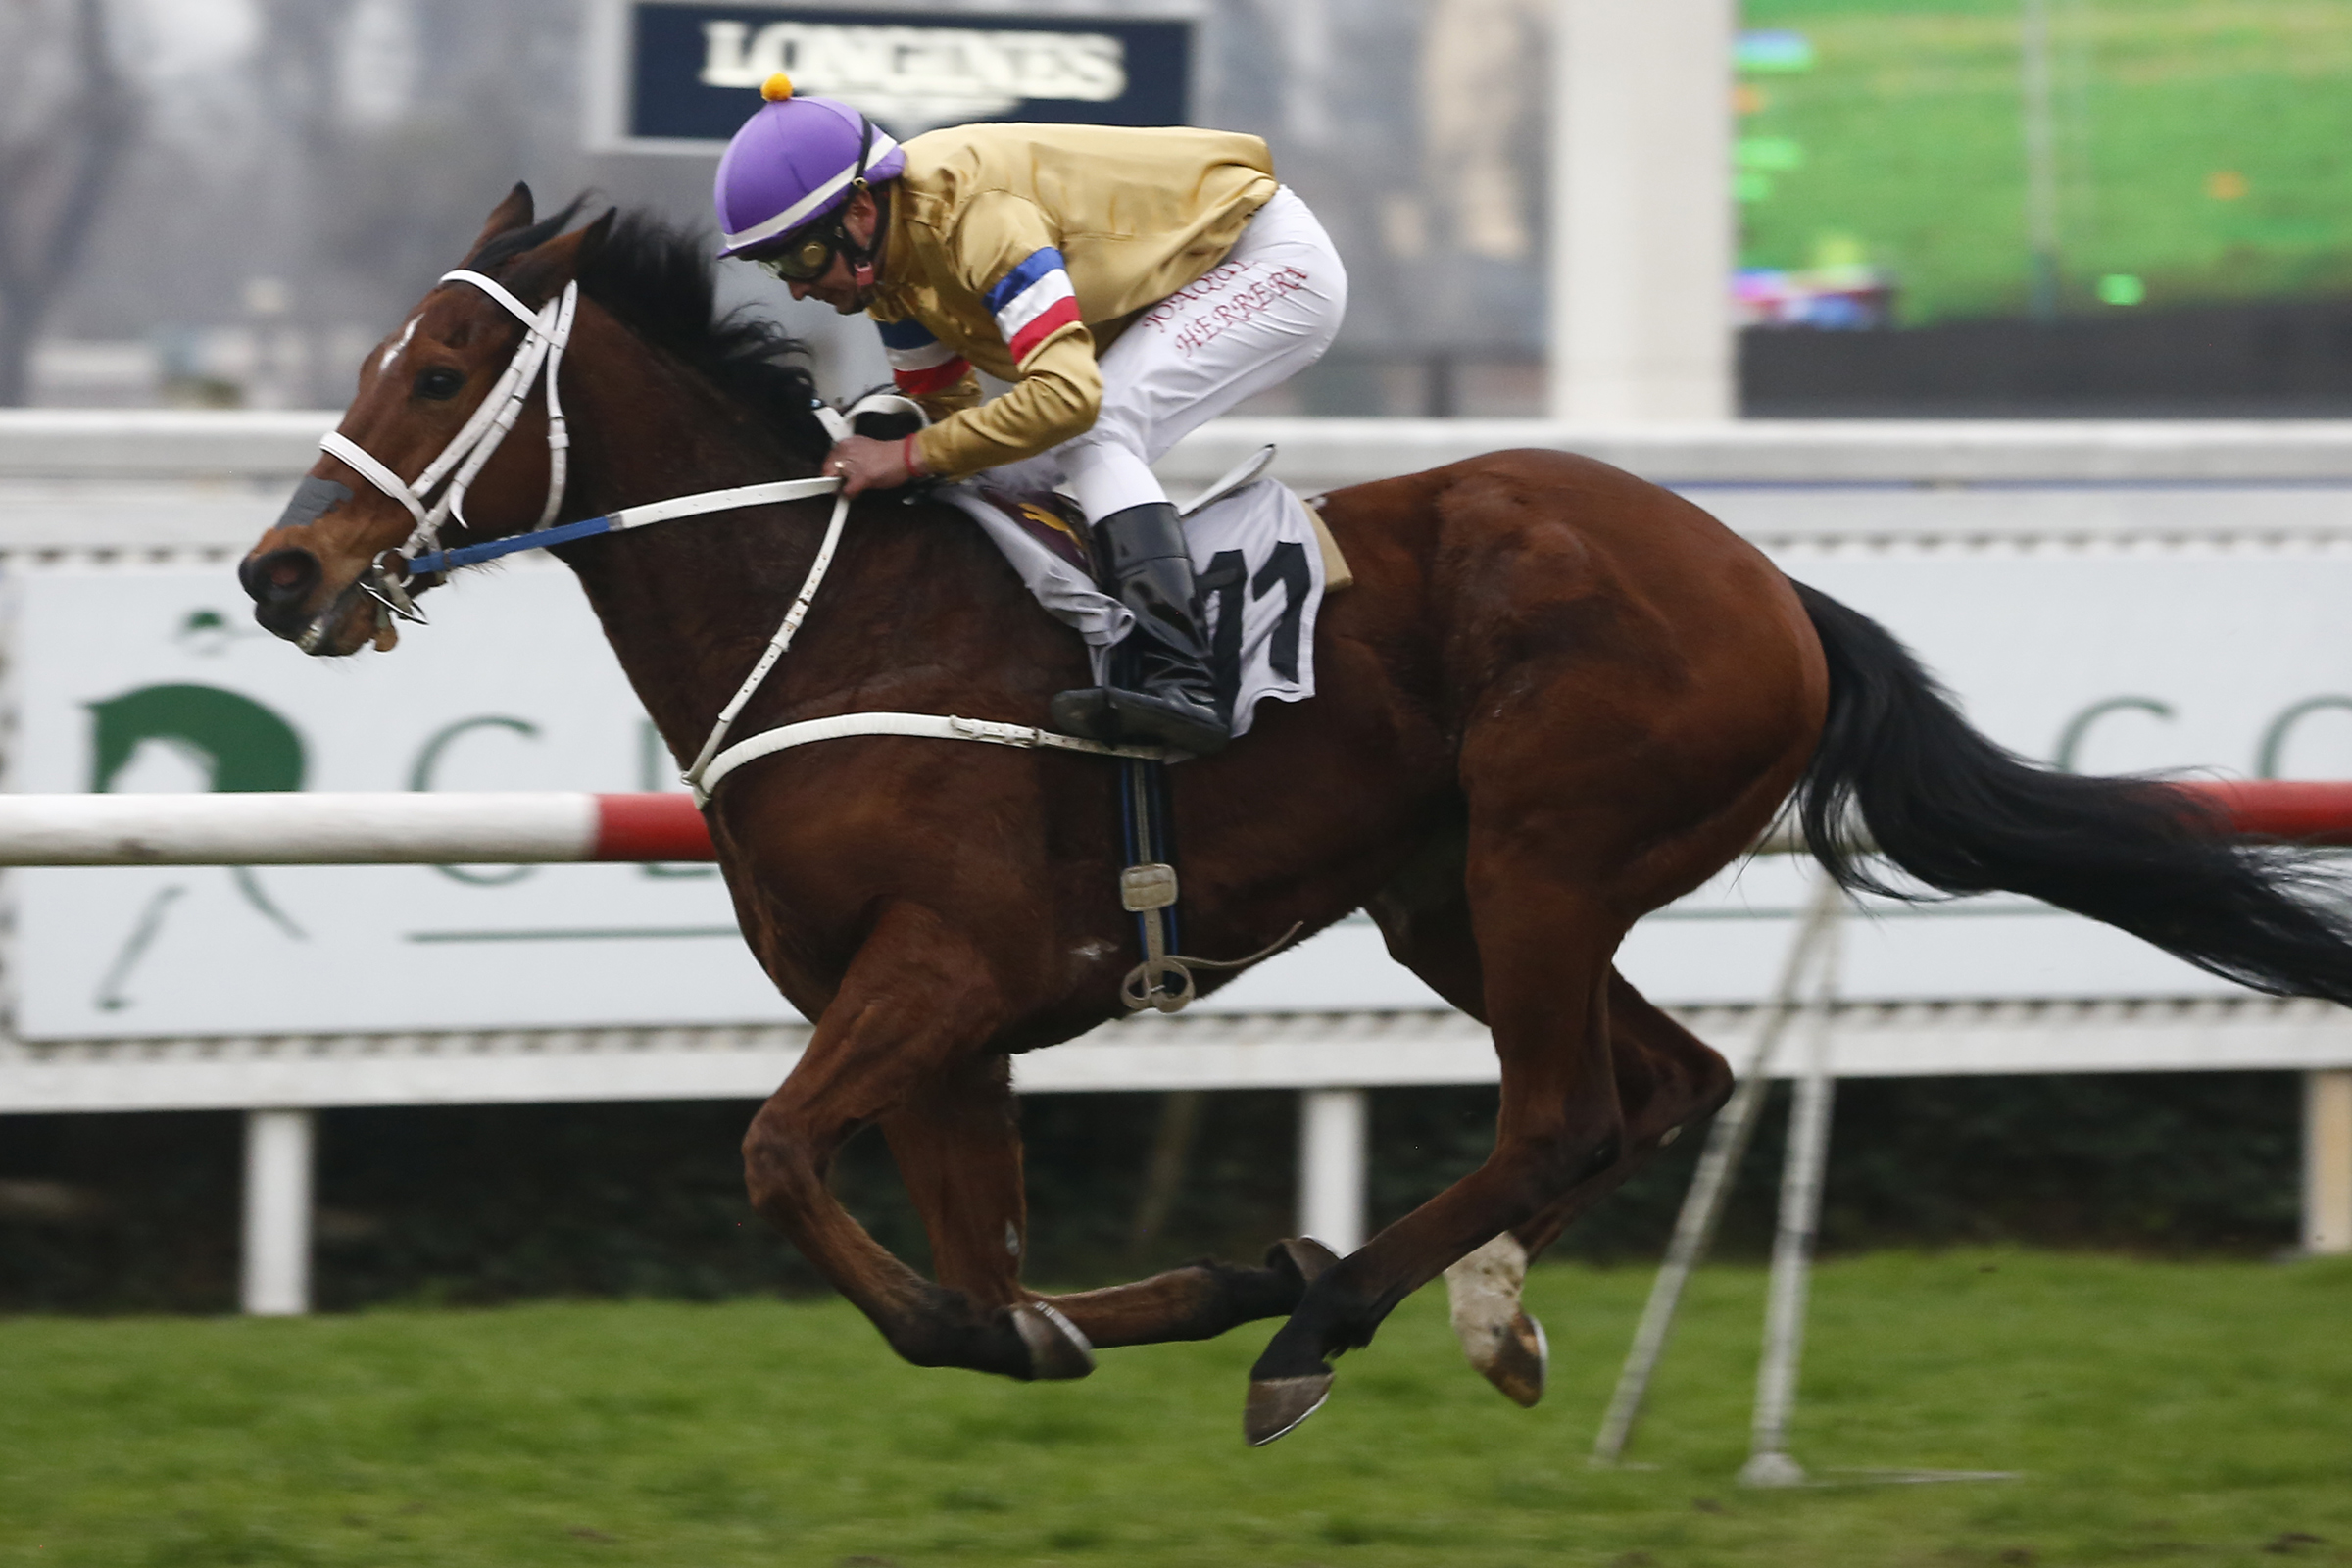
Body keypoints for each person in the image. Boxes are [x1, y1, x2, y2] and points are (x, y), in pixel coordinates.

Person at [712, 74, 1348, 755]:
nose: (800, 288)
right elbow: (947, 414)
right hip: (1187, 278)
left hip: (1266, 262)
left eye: (804, 255)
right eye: (777, 267)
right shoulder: (889, 271)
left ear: (861, 209)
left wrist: (907, 456)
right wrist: (893, 436)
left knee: (1093, 431)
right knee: (1000, 467)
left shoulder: (975, 218)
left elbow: (1068, 398)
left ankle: (1183, 679)